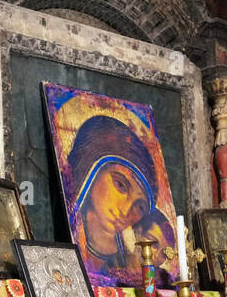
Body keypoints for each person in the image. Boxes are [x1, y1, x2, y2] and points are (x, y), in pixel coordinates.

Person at [67, 113, 176, 285]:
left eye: (139, 206)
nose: (125, 211)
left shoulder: (129, 271)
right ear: (90, 170)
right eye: (120, 185)